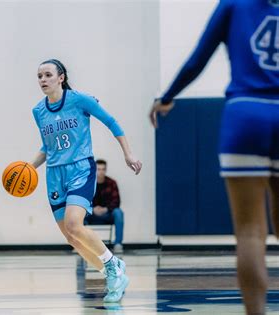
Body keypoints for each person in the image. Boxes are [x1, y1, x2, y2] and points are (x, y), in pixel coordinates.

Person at [149, 1, 279, 314]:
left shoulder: (234, 3)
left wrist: (167, 97)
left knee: (249, 231)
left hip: (245, 114)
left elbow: (198, 59)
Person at [31, 59, 142, 303]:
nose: (43, 80)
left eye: (48, 74)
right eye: (39, 76)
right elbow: (47, 147)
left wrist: (128, 153)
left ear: (61, 77)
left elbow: (111, 122)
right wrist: (29, 167)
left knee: (73, 224)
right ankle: (112, 274)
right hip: (54, 174)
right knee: (71, 237)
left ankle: (113, 264)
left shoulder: (79, 99)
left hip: (80, 169)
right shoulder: (38, 111)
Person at [85, 159, 124, 253]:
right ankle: (81, 244)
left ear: (106, 170)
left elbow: (116, 201)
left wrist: (105, 209)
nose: (101, 172)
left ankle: (118, 244)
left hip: (107, 214)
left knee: (118, 212)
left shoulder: (112, 183)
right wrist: (93, 209)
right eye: (98, 169)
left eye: (103, 169)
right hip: (92, 214)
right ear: (95, 170)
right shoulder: (88, 183)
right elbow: (83, 201)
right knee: (80, 213)